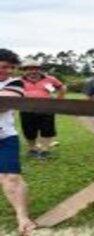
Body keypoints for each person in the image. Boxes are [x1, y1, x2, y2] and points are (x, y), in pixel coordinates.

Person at [0, 49, 36, 234]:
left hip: (5, 137)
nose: (8, 71)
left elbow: (3, 103)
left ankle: (22, 217)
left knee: (11, 177)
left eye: (11, 68)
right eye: (5, 66)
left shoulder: (15, 83)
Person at [19, 59, 66, 158]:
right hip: (26, 109)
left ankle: (45, 150)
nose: (33, 71)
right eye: (29, 69)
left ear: (39, 69)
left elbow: (62, 88)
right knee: (29, 130)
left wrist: (58, 101)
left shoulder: (50, 79)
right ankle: (32, 149)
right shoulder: (18, 81)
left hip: (46, 108)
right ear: (24, 70)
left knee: (47, 129)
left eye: (35, 69)